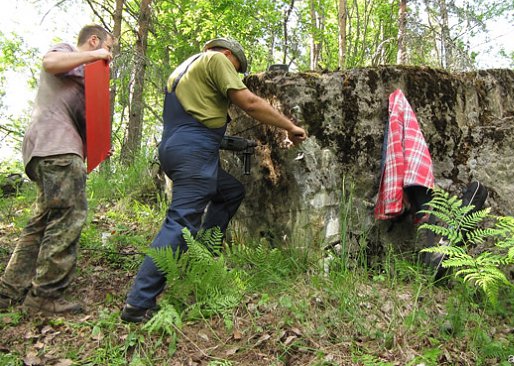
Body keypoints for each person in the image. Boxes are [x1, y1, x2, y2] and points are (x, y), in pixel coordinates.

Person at [121, 37, 307, 323]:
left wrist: (233, 142)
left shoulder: (183, 69)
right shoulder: (217, 60)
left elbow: (195, 122)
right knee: (181, 220)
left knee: (230, 192)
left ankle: (201, 256)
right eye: (238, 68)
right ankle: (139, 303)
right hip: (194, 153)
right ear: (229, 55)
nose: (236, 75)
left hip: (175, 147)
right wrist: (290, 127)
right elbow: (249, 102)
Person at [0, 24, 114, 315]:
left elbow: (83, 123)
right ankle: (45, 297)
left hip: (50, 150)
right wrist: (97, 55)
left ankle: (9, 291)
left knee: (41, 220)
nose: (108, 54)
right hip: (56, 148)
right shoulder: (67, 51)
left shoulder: (83, 77)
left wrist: (98, 147)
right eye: (108, 47)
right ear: (93, 40)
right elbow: (49, 63)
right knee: (68, 216)